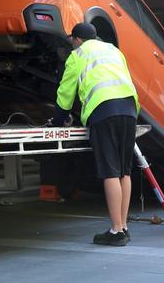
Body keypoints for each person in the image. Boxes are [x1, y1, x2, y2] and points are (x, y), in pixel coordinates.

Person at [51, 22, 139, 247]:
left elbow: (66, 92)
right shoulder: (113, 50)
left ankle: (115, 231)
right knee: (124, 171)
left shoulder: (77, 54)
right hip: (129, 110)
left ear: (77, 39)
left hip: (104, 111)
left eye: (73, 40)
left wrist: (58, 119)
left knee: (110, 171)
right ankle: (124, 226)